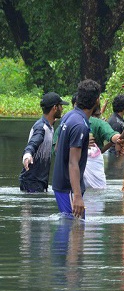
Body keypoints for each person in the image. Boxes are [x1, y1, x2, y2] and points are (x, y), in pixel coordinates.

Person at [52, 80, 101, 219]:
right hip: (68, 187)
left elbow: (58, 149)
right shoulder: (80, 125)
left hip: (63, 184)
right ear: (97, 100)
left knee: (72, 229)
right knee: (74, 228)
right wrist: (77, 196)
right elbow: (73, 162)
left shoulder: (69, 115)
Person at [20, 92, 68, 193]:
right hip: (32, 183)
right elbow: (33, 142)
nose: (62, 109)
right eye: (61, 106)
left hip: (40, 182)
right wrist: (27, 154)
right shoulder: (41, 127)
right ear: (55, 107)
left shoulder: (50, 127)